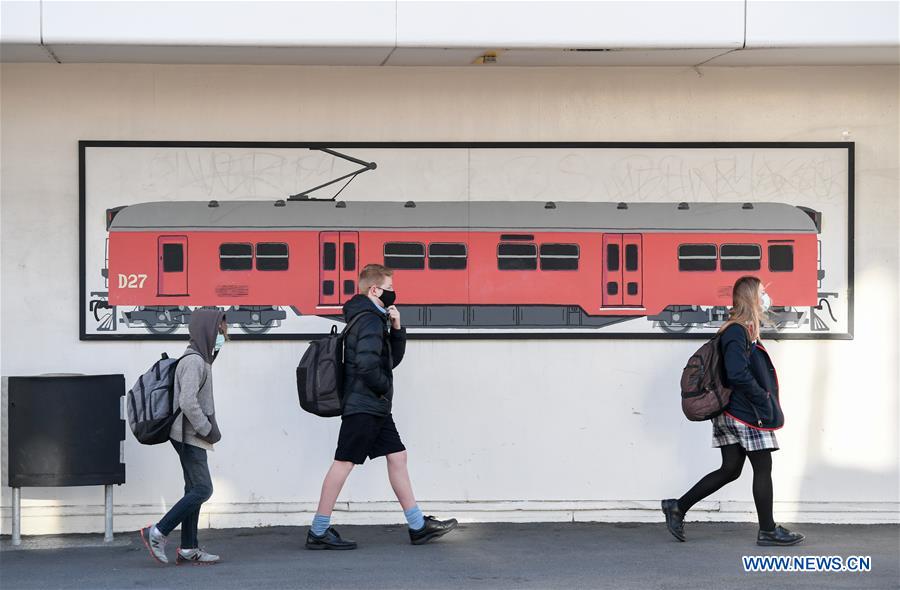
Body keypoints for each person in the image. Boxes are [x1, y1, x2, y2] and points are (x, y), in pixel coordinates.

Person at [306, 264, 458, 549]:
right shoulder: (369, 321)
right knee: (343, 463)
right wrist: (380, 388)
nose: (393, 293)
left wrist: (397, 329)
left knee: (397, 457)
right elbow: (366, 366)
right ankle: (318, 530)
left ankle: (417, 526)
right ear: (375, 289)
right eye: (389, 288)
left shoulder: (375, 318)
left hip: (374, 405)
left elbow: (390, 362)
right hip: (365, 404)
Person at [662, 276, 805, 546]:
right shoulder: (736, 331)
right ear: (751, 297)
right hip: (744, 412)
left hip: (732, 411)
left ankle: (677, 507)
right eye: (762, 293)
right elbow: (737, 373)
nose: (766, 298)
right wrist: (761, 398)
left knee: (730, 469)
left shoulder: (739, 330)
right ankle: (768, 530)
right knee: (763, 466)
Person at [140, 309, 227, 564]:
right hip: (189, 436)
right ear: (207, 330)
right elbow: (187, 401)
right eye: (220, 330)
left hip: (190, 435)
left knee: (193, 488)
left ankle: (189, 548)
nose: (222, 334)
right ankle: (158, 531)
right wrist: (206, 429)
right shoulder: (194, 361)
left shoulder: (201, 359)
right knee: (203, 488)